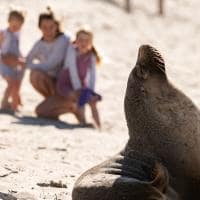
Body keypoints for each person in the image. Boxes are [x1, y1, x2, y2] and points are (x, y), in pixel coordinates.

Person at [26, 7, 72, 117]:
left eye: (51, 27)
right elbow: (27, 60)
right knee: (35, 75)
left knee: (40, 111)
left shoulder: (64, 40)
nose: (48, 31)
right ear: (39, 28)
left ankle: (70, 105)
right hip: (53, 82)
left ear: (57, 26)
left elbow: (51, 64)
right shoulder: (40, 43)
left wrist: (31, 65)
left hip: (66, 85)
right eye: (44, 27)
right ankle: (54, 103)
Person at [56, 27, 102, 128]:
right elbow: (72, 70)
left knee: (92, 101)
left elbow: (93, 75)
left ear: (91, 43)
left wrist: (91, 90)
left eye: (87, 41)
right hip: (66, 83)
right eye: (80, 40)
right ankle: (83, 122)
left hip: (81, 83)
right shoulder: (72, 51)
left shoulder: (91, 56)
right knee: (79, 97)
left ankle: (99, 126)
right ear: (76, 41)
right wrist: (78, 89)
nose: (83, 43)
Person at [0, 10, 26, 113]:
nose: (16, 25)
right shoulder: (3, 33)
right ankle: (4, 103)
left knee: (15, 83)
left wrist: (22, 58)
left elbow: (16, 49)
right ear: (9, 21)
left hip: (13, 64)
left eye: (19, 24)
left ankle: (15, 102)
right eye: (13, 22)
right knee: (11, 83)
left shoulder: (16, 35)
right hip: (4, 63)